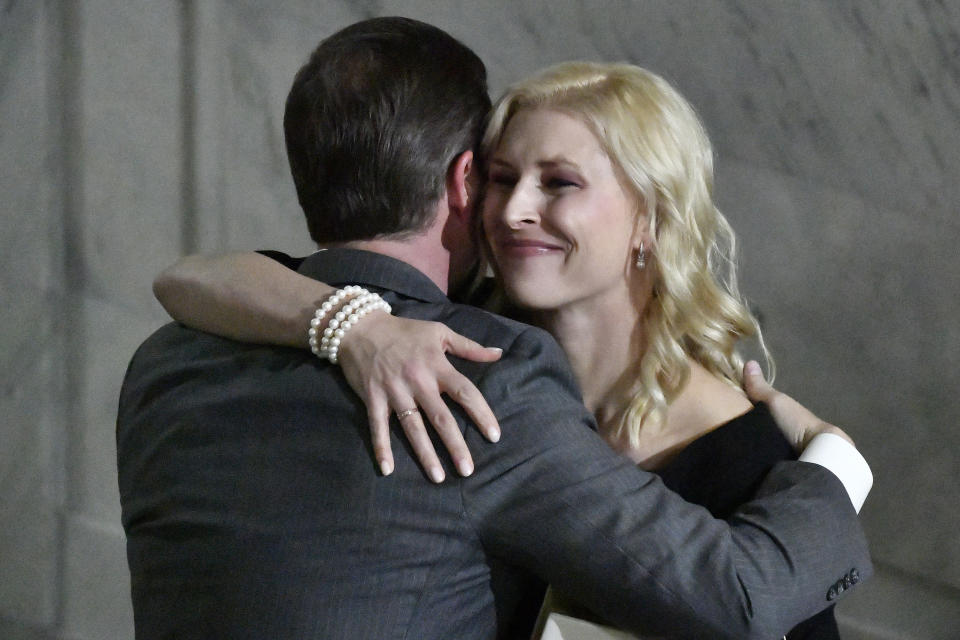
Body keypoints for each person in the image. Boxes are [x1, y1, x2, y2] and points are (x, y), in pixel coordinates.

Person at [121, 16, 872, 640]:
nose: (514, 211)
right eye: (502, 178)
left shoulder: (741, 456)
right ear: (465, 184)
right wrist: (352, 327)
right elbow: (192, 278)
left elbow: (751, 597)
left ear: (652, 215)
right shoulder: (470, 367)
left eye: (561, 183)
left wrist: (835, 464)